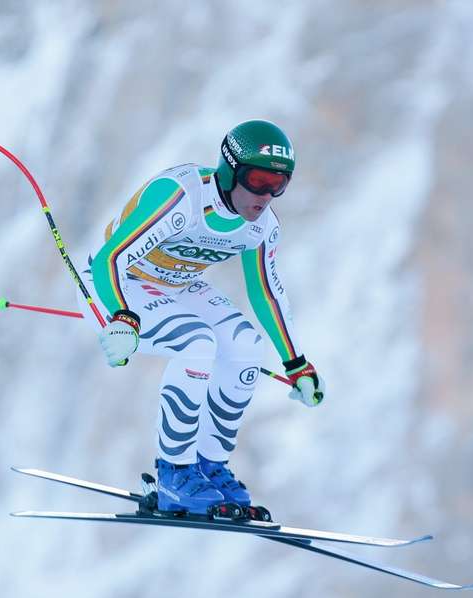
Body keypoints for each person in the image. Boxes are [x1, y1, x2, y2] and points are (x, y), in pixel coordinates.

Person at [79, 120, 326, 515]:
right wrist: (122, 318)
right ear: (230, 172)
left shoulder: (261, 226)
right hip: (118, 281)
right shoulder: (181, 198)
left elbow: (265, 292)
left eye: (279, 184)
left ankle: (210, 466)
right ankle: (174, 473)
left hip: (176, 283)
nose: (266, 195)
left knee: (246, 345)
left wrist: (297, 363)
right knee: (198, 344)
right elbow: (111, 255)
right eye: (258, 180)